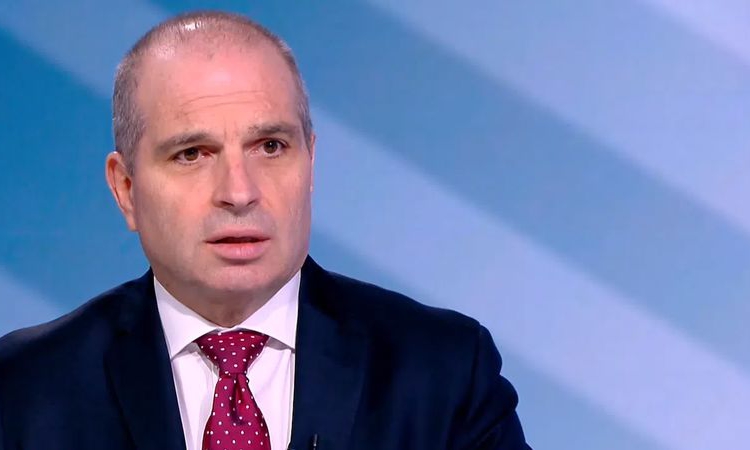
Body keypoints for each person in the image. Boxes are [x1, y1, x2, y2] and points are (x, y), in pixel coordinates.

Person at [0, 11, 531, 450]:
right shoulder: (22, 388)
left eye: (271, 147)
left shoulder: (443, 373)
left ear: (311, 163)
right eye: (192, 153)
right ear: (126, 188)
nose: (239, 192)